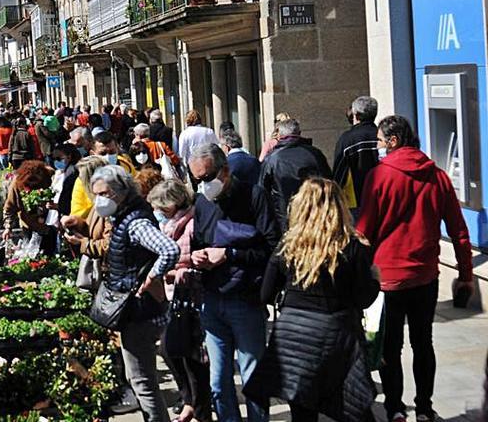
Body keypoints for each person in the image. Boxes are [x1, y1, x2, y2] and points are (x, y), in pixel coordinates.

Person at [356, 115, 474, 422]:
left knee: (390, 347)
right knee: (423, 343)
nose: (378, 147)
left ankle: (395, 408)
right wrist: (465, 275)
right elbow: (460, 231)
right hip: (425, 275)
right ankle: (424, 407)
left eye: (380, 141)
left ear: (393, 141)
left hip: (388, 278)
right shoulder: (438, 176)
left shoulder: (379, 176)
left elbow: (365, 231)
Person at [243, 178, 380, 421]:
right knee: (354, 407)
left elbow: (265, 293)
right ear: (339, 206)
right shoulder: (352, 246)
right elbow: (364, 298)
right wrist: (375, 279)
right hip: (336, 334)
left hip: (294, 335)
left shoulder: (288, 245)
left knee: (302, 410)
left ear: (301, 206)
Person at [188, 143, 279, 422]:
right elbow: (200, 241)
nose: (203, 185)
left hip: (246, 300)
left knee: (252, 378)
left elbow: (272, 249)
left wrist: (229, 254)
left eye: (207, 178)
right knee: (218, 382)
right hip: (212, 300)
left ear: (224, 170)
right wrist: (198, 256)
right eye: (197, 180)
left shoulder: (254, 196)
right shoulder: (202, 202)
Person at [89, 165, 180, 422]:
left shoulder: (136, 222)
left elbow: (169, 250)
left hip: (140, 312)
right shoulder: (124, 217)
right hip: (137, 309)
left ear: (121, 192)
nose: (100, 200)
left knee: (141, 380)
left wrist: (153, 275)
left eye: (104, 193)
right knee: (140, 378)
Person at [147, 180, 212, 422]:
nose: (158, 213)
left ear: (173, 204)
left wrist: (176, 273)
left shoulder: (193, 225)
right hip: (174, 298)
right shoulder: (170, 226)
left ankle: (200, 411)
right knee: (170, 350)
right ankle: (189, 402)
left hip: (192, 300)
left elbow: (200, 262)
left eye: (160, 208)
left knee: (193, 359)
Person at [258, 118, 331, 231]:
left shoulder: (272, 159)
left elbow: (262, 191)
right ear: (299, 134)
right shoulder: (315, 154)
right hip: (314, 215)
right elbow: (329, 183)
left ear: (279, 136)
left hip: (284, 218)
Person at [332, 96, 380, 217]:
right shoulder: (382, 136)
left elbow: (339, 173)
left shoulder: (347, 139)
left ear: (355, 115)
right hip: (383, 198)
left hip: (357, 202)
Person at [69, 132, 135, 217]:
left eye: (112, 152)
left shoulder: (125, 166)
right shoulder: (83, 179)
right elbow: (77, 213)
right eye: (103, 153)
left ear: (117, 149)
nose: (108, 157)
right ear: (93, 153)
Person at [61, 156, 111, 260]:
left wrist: (82, 242)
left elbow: (110, 246)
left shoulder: (109, 206)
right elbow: (95, 228)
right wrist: (77, 222)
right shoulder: (99, 201)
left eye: (82, 178)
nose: (81, 182)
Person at [2, 160, 58, 255]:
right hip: (28, 225)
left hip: (49, 226)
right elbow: (10, 208)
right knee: (30, 255)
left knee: (49, 255)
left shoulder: (49, 178)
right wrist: (8, 227)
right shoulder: (17, 183)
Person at [51, 143, 82, 216]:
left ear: (69, 157)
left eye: (58, 158)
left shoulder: (75, 174)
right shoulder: (58, 173)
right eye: (54, 159)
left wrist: (59, 206)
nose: (56, 161)